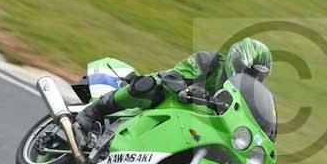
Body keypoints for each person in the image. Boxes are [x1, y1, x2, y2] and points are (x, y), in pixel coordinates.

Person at [75, 37, 273, 135]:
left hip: (193, 121)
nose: (253, 79)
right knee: (148, 86)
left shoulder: (244, 94)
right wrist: (183, 90)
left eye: (257, 77)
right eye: (250, 73)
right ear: (236, 61)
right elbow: (174, 76)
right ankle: (94, 111)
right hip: (170, 97)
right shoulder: (209, 61)